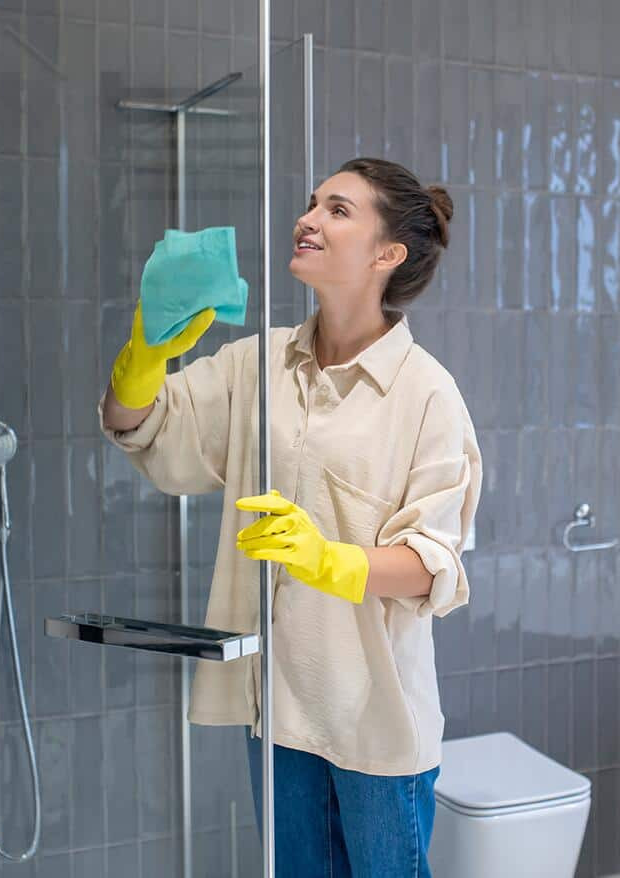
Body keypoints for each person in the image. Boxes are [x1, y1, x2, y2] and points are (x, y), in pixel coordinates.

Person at [100, 157, 482, 877]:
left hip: (374, 722)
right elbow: (139, 427)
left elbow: (436, 564)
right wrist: (145, 355)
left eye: (337, 210)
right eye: (313, 203)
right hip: (276, 708)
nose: (307, 219)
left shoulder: (426, 393)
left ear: (386, 254)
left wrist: (327, 559)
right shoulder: (260, 364)